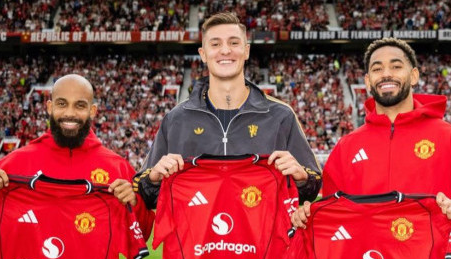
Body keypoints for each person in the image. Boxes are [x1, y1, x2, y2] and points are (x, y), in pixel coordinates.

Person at [292, 37, 451, 259]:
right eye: (377, 69)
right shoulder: (347, 147)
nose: (386, 74)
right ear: (367, 81)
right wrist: (306, 216)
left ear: (414, 76)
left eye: (396, 66)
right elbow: (334, 217)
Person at [133, 11, 322, 208]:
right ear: (203, 54)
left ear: (246, 51)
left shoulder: (280, 115)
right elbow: (145, 193)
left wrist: (302, 179)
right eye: (215, 44)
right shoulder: (176, 119)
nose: (225, 50)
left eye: (233, 43)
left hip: (261, 229)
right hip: (196, 229)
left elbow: (312, 187)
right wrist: (153, 180)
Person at [0, 74, 140, 221]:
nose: (70, 113)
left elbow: (141, 231)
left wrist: (135, 203)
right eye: (62, 104)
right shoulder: (13, 164)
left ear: (92, 111)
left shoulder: (119, 169)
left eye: (79, 105)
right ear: (49, 107)